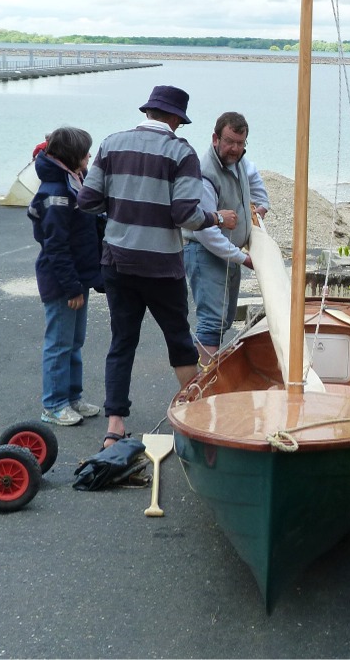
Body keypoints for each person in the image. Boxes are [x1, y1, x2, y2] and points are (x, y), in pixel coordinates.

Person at [77, 85, 238, 449]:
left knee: (122, 343)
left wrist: (122, 211)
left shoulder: (111, 143)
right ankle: (199, 417)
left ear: (148, 112)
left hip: (118, 262)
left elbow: (87, 201)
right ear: (176, 120)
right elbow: (184, 215)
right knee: (179, 342)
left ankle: (114, 426)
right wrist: (216, 217)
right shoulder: (181, 153)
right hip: (162, 267)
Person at [27, 126, 105, 426]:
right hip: (62, 281)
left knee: (75, 341)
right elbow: (56, 246)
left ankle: (72, 397)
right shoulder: (56, 192)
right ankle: (53, 404)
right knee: (59, 343)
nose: (89, 156)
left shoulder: (73, 180)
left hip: (78, 277)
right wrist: (72, 287)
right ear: (72, 156)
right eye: (85, 151)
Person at [183, 112, 270, 365]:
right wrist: (243, 258)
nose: (234, 149)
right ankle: (200, 385)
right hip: (204, 252)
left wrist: (262, 204)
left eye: (240, 143)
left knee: (224, 320)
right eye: (230, 141)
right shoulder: (204, 173)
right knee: (212, 321)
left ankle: (207, 378)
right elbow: (205, 230)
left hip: (229, 252)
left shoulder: (239, 161)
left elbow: (252, 175)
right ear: (215, 138)